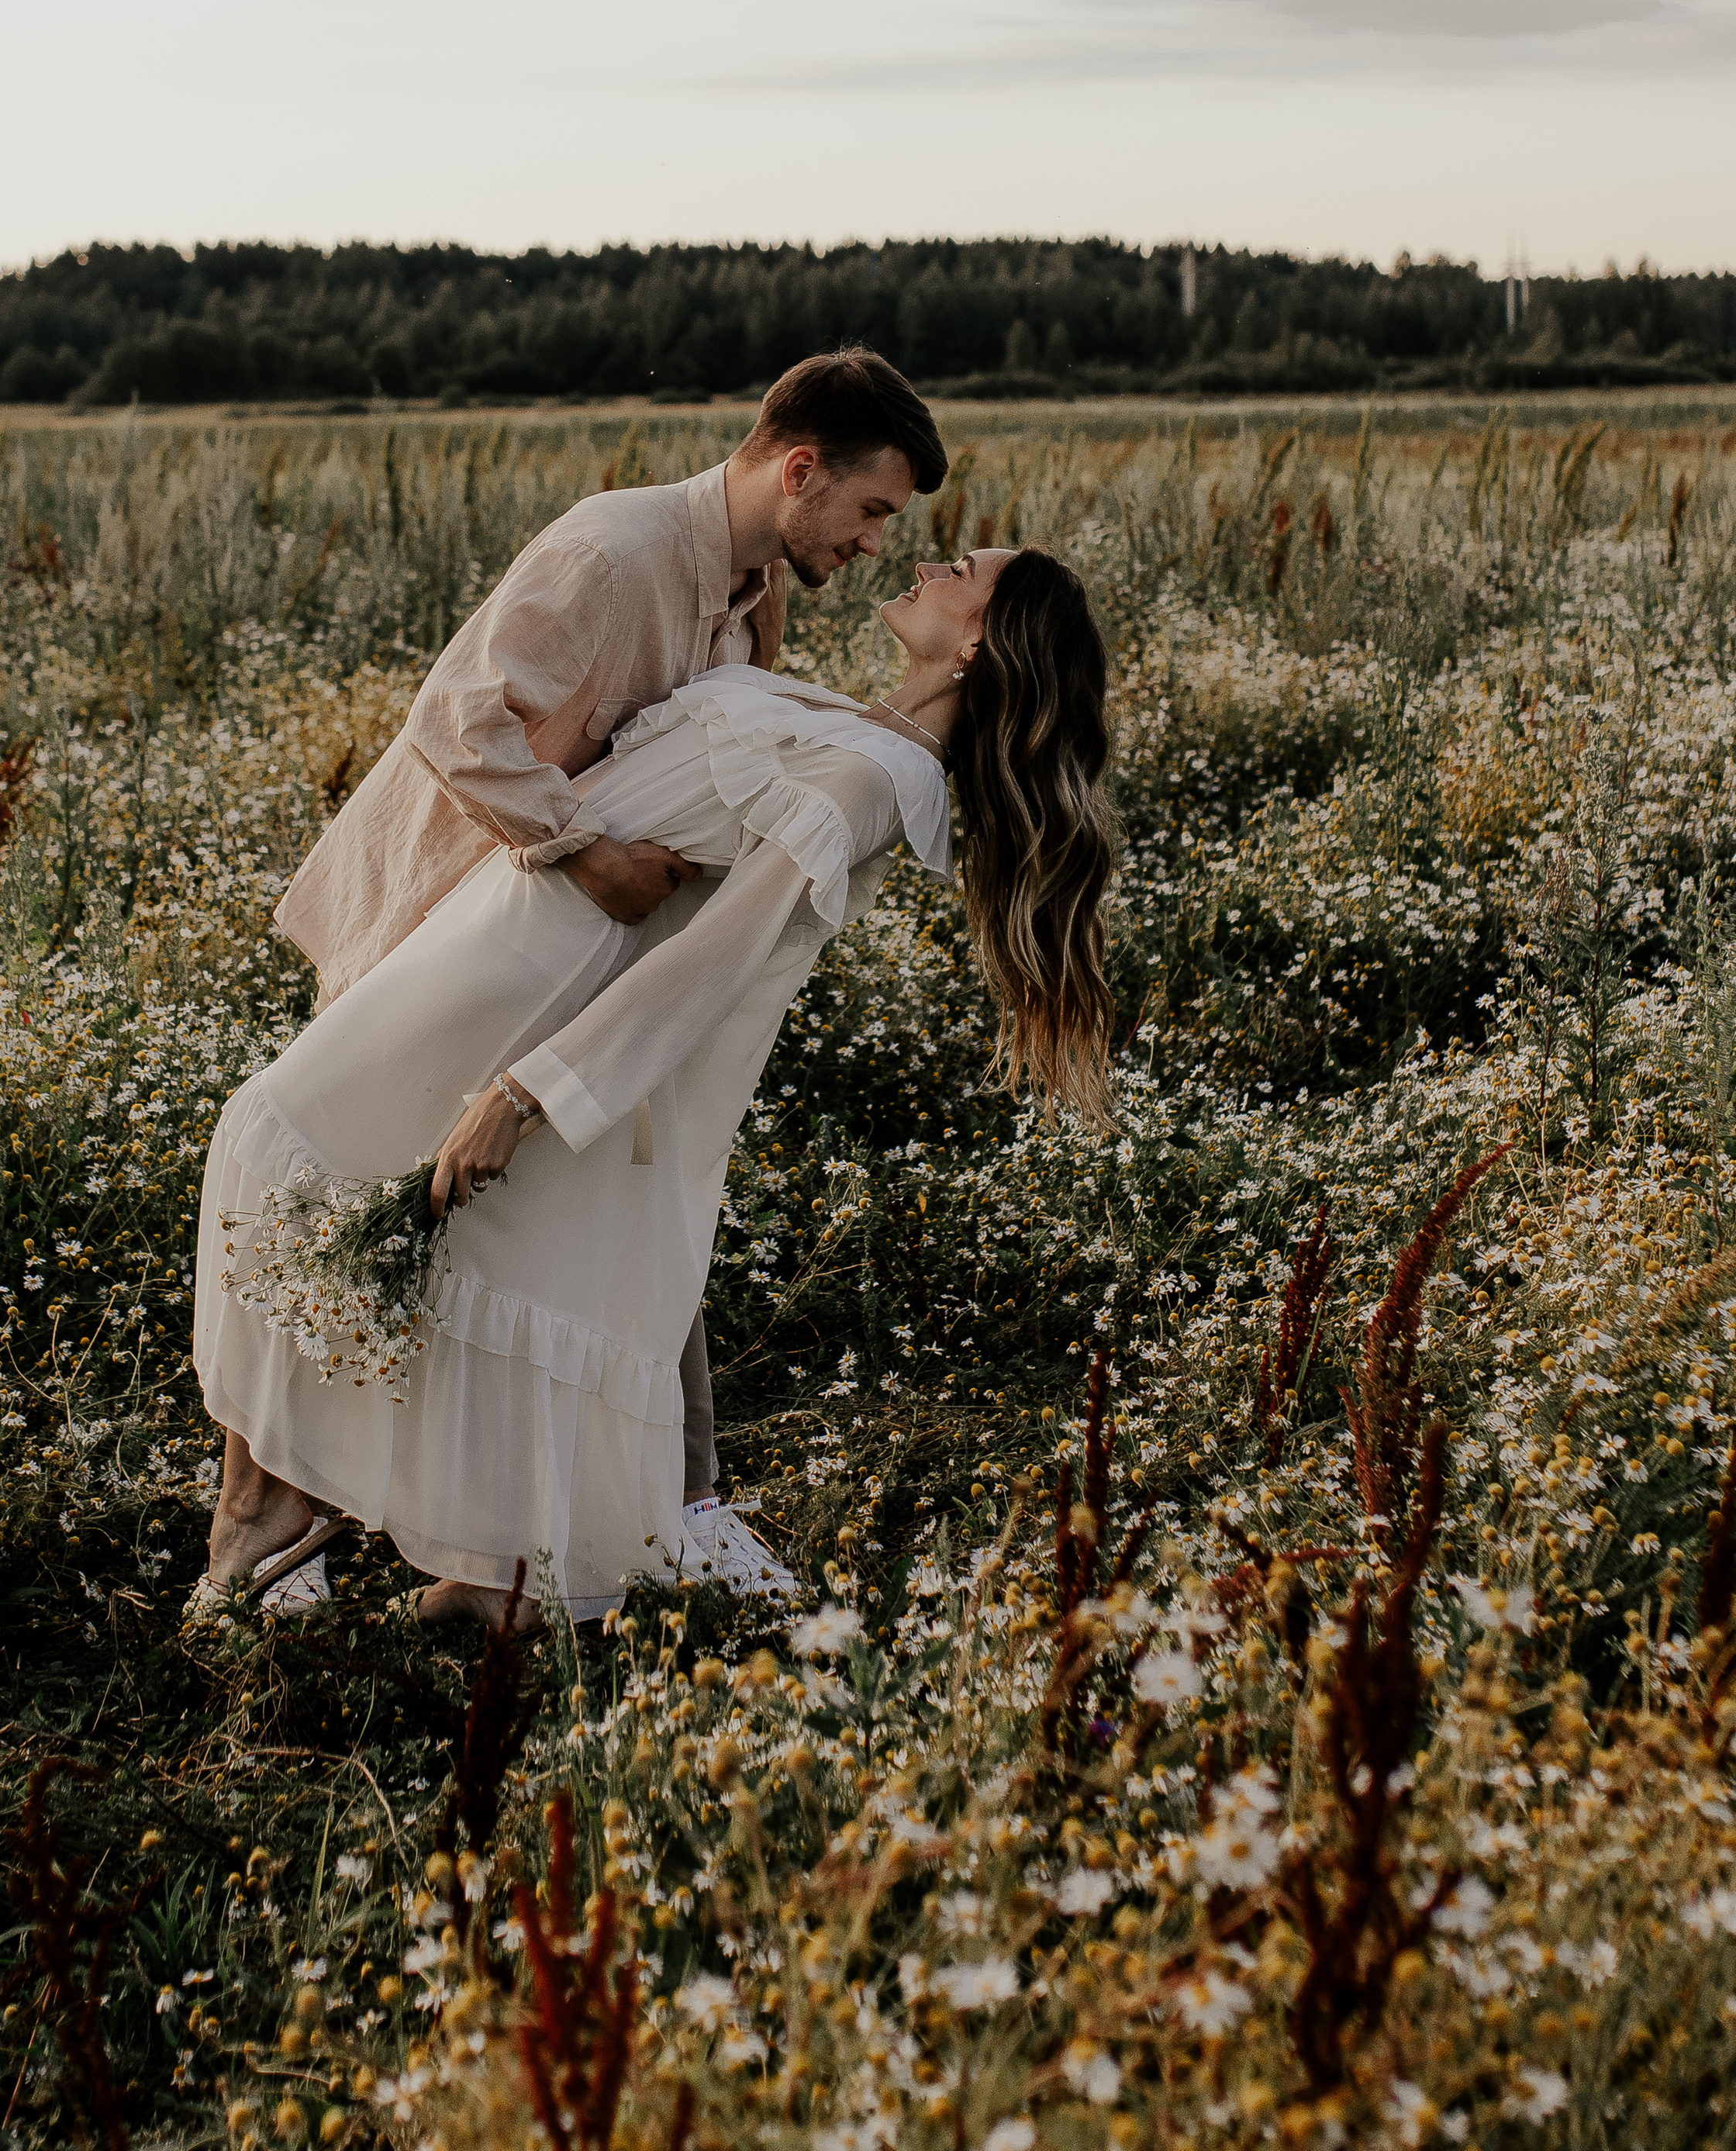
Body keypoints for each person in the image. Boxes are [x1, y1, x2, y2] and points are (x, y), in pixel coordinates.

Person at [190, 543, 1116, 1626]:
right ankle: (342, 1540)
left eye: (960, 566)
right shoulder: (846, 717)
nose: (921, 556)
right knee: (301, 1167)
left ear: (978, 642)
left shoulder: (883, 779)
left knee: (306, 1156)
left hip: (524, 1001)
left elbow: (714, 961)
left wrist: (529, 1094)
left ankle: (382, 1555)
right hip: (487, 958)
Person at [208, 352, 947, 1608]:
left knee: (560, 1229)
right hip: (444, 913)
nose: (877, 544)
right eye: (874, 511)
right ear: (800, 469)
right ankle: (253, 1533)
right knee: (334, 1189)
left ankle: (586, 1523)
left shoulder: (755, 588)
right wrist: (583, 848)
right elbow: (456, 719)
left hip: (557, 956)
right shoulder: (614, 550)